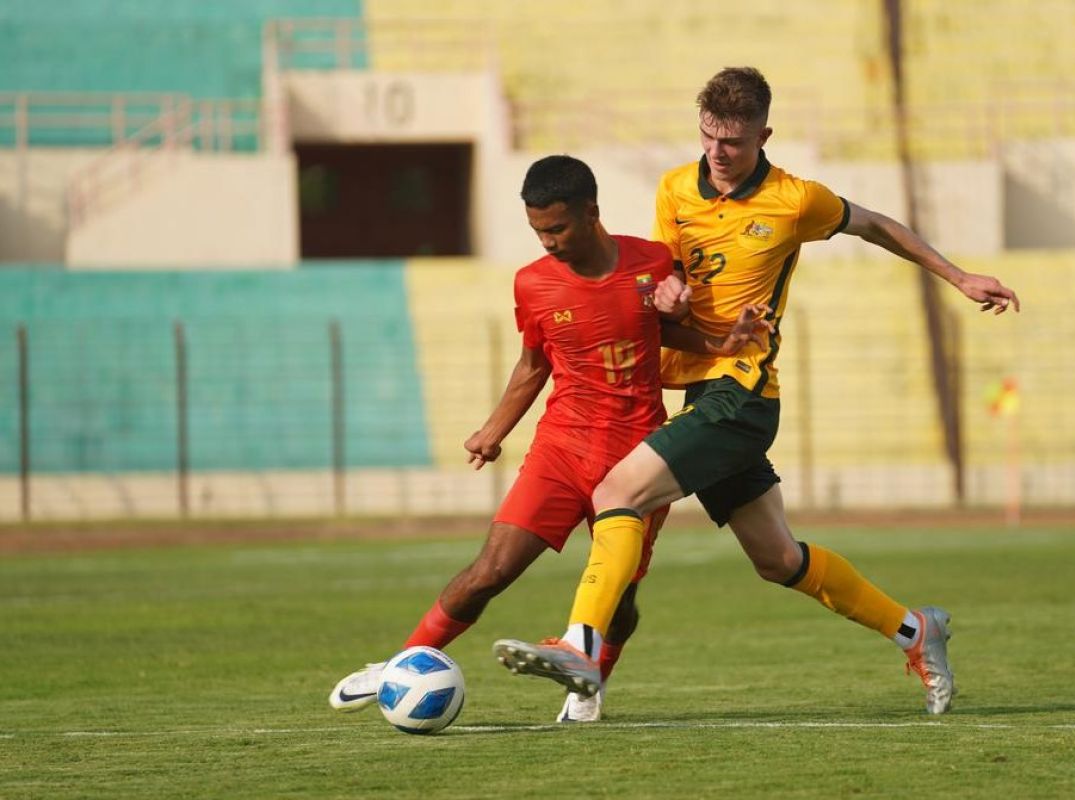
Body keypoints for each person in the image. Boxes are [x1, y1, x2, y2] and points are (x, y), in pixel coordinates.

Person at [493, 67, 1021, 715]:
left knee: (616, 494)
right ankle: (916, 629)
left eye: (733, 141)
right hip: (698, 391)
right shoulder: (674, 189)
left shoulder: (795, 201)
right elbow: (669, 272)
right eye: (710, 136)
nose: (718, 151)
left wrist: (959, 276)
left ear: (763, 136)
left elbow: (877, 225)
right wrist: (670, 294)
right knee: (776, 557)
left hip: (741, 394)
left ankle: (582, 651)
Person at [329, 154, 771, 723]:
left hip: (640, 459)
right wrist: (492, 432)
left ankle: (589, 686)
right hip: (562, 450)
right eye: (537, 230)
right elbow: (532, 365)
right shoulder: (532, 283)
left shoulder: (651, 262)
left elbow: (670, 331)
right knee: (489, 571)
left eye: (557, 228)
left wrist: (723, 343)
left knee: (621, 600)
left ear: (591, 213)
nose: (547, 242)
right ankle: (401, 664)